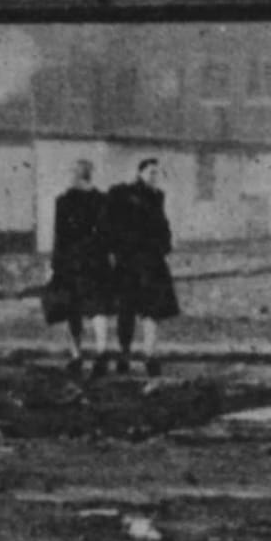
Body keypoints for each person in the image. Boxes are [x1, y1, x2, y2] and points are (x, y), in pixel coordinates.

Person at [105, 157, 179, 376]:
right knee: (126, 310)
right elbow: (110, 223)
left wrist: (165, 245)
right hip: (128, 261)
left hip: (152, 261)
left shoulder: (158, 196)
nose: (155, 176)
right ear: (140, 173)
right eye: (151, 172)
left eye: (158, 173)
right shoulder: (123, 193)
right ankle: (124, 354)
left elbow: (162, 224)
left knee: (152, 309)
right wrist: (116, 250)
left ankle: (150, 354)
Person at [43, 159, 113, 374]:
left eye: (71, 173)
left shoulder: (65, 201)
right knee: (93, 309)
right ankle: (96, 354)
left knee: (80, 309)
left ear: (78, 176)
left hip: (75, 261)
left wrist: (55, 265)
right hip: (92, 261)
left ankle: (81, 355)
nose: (68, 178)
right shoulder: (101, 200)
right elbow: (107, 234)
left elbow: (60, 236)